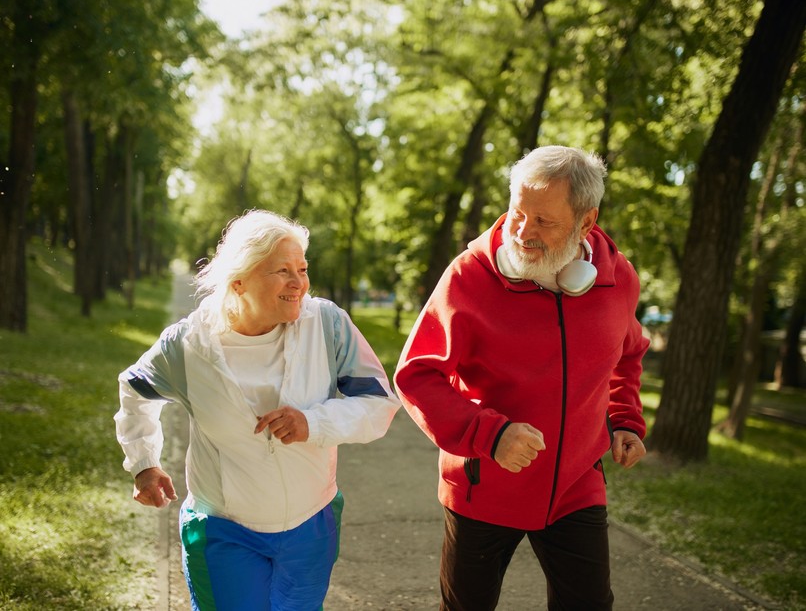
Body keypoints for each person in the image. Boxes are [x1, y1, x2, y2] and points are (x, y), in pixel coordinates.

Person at [394, 145, 650, 611]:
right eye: (517, 214)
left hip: (577, 485)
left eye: (544, 222)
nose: (523, 232)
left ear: (586, 222)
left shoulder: (619, 281)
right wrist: (489, 435)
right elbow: (417, 375)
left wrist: (626, 419)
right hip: (483, 485)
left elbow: (628, 353)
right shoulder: (468, 278)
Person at [114, 209, 401, 610]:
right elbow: (135, 389)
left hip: (311, 523)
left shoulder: (327, 325)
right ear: (239, 282)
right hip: (223, 529)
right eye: (282, 271)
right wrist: (144, 462)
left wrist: (312, 423)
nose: (298, 283)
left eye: (302, 268)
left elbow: (379, 405)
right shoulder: (188, 345)